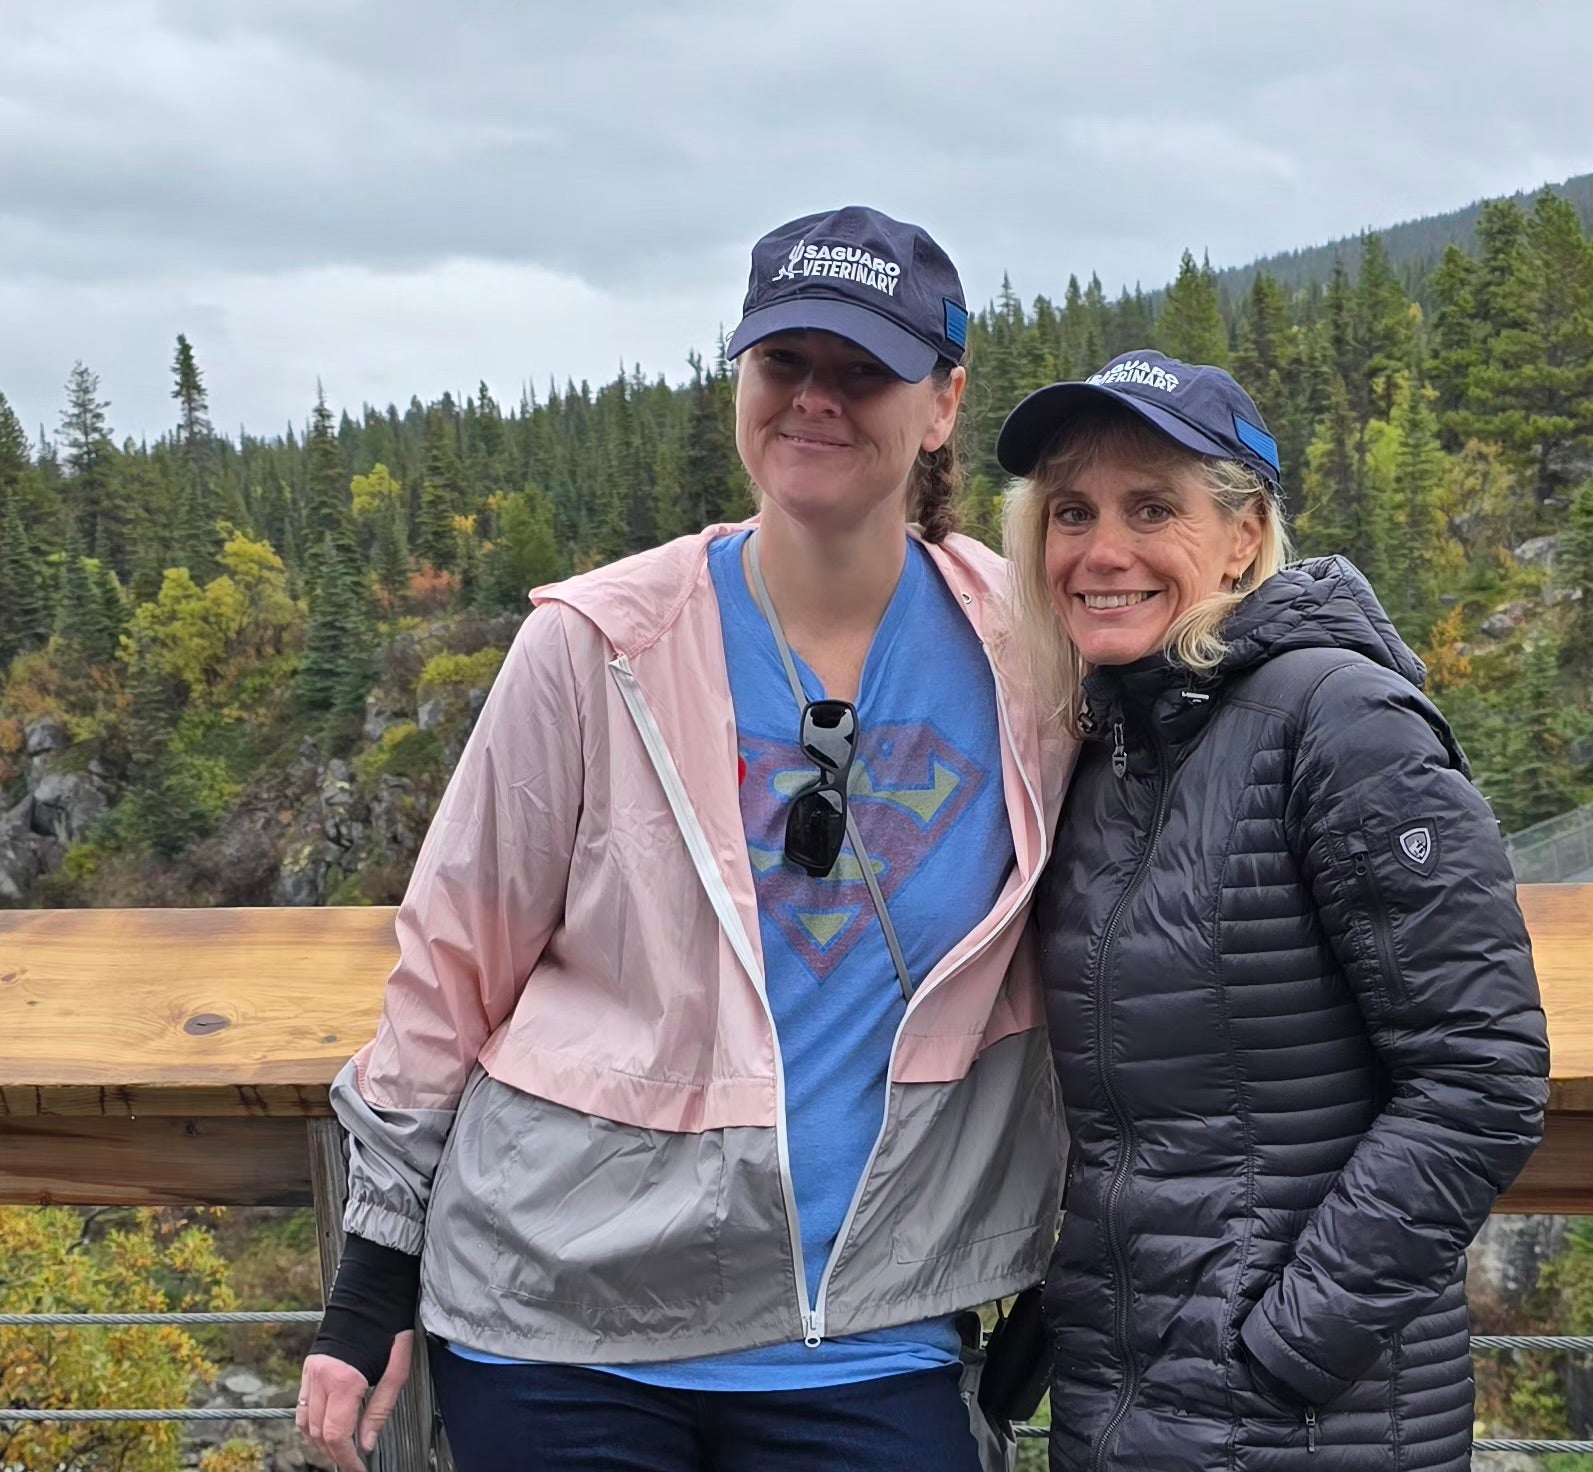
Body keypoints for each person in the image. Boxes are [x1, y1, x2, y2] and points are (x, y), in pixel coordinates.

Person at [296, 205, 1072, 1472]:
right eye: (783, 361)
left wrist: (1071, 1252)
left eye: (862, 369)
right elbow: (452, 963)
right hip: (563, 1326)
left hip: (873, 1331)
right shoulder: (597, 646)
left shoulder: (1029, 652)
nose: (814, 398)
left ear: (942, 403)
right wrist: (371, 1277)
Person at [994, 351, 1551, 1472]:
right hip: (1127, 1405)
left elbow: (1481, 1078)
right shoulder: (1111, 749)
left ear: (1244, 534)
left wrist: (1284, 1352)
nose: (1100, 551)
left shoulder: (1339, 722)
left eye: (1152, 508)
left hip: (1301, 1420)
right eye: (1071, 512)